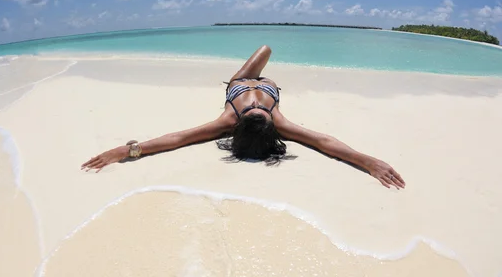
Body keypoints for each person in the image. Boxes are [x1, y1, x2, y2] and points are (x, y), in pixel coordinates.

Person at [82, 45, 405, 189]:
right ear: (269, 126)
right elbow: (324, 142)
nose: (254, 109)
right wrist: (368, 161)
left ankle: (241, 78)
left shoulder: (227, 122)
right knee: (267, 49)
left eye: (253, 113)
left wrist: (129, 150)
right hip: (266, 83)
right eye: (257, 114)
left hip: (239, 80)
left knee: (264, 49)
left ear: (237, 126)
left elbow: (177, 139)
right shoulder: (279, 123)